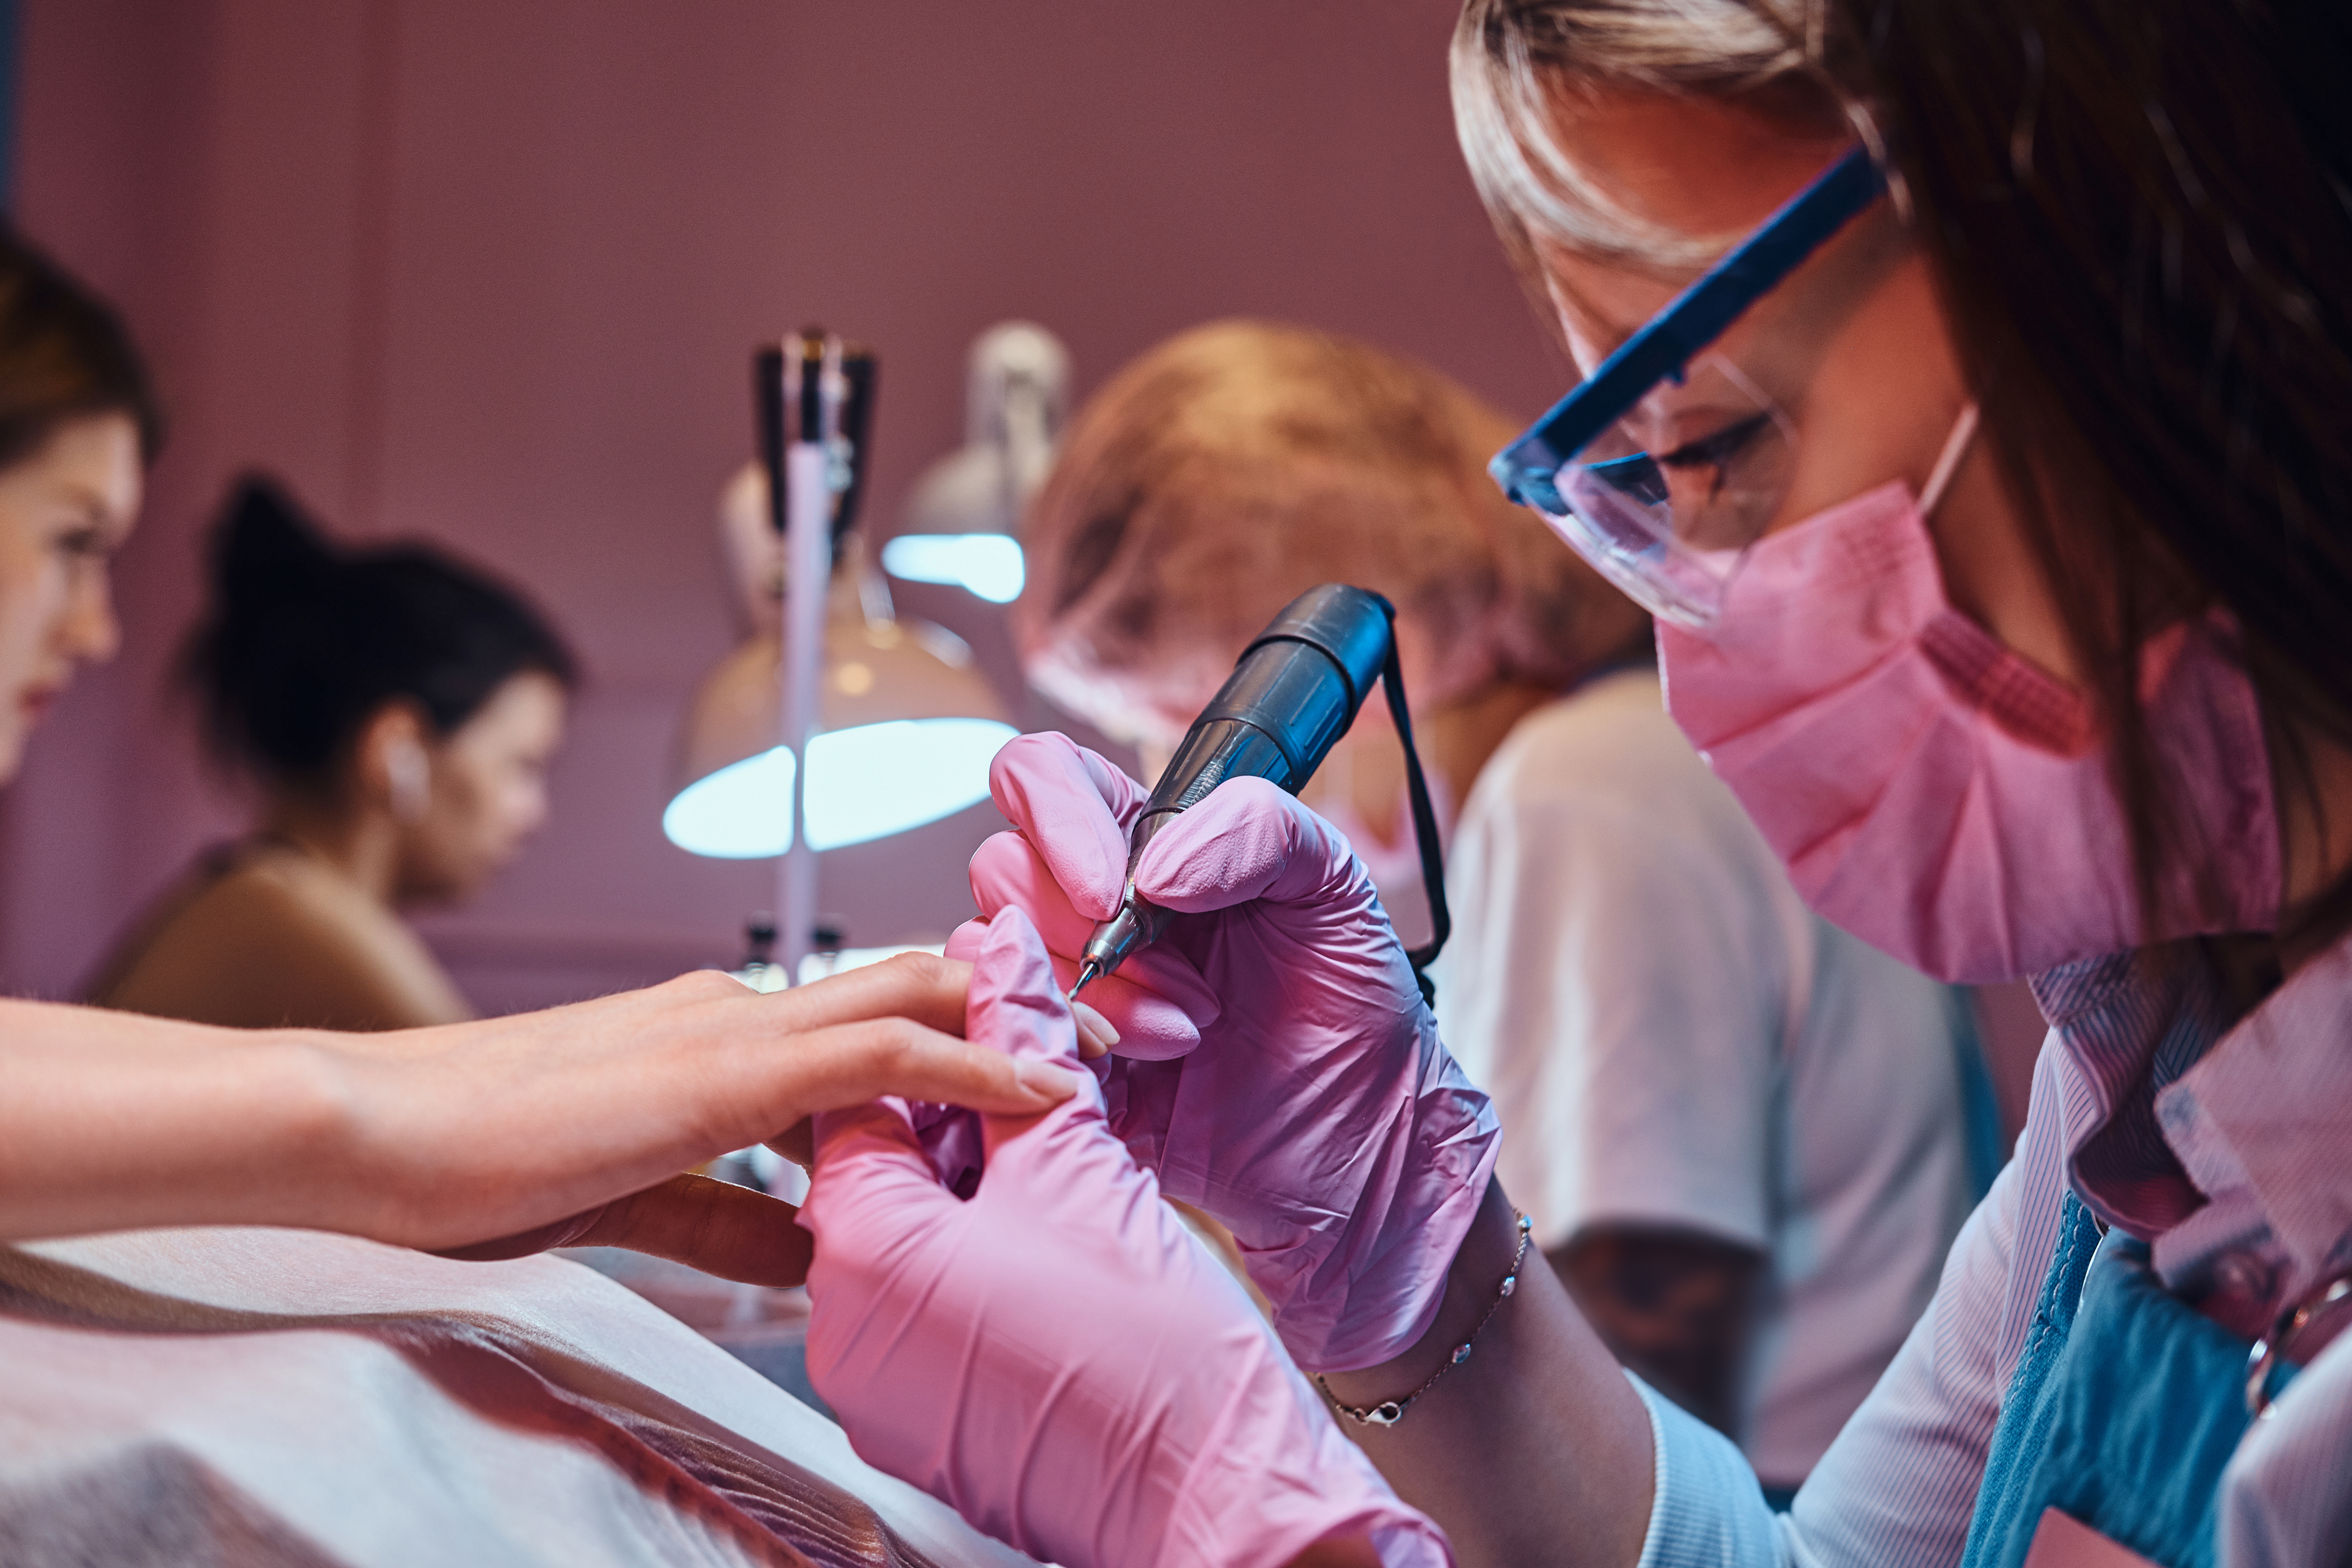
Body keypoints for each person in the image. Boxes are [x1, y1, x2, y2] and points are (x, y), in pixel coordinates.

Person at [795, 2, 2352, 1565]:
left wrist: (1232, 1492)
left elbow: (1668, 1301)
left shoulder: (1591, 791)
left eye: (1724, 438)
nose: (1703, 657)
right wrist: (1395, 1238)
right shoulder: (2153, 1069)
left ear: (2153, 237)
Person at [0, 226, 1090, 1562]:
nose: (99, 626)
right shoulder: (289, 916)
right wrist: (389, 1119)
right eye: (71, 539)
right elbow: (440, 1111)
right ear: (400, 749)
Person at [1016, 318, 1978, 1481]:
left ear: (1316, 683)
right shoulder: (1639, 759)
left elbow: (1611, 1397)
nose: (1180, 796)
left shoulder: (1585, 793)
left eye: (1184, 733)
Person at [86, 476, 572, 1029]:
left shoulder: (271, 897)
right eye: (520, 767)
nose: (534, 816)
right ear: (397, 748)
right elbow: (500, 1104)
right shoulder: (287, 918)